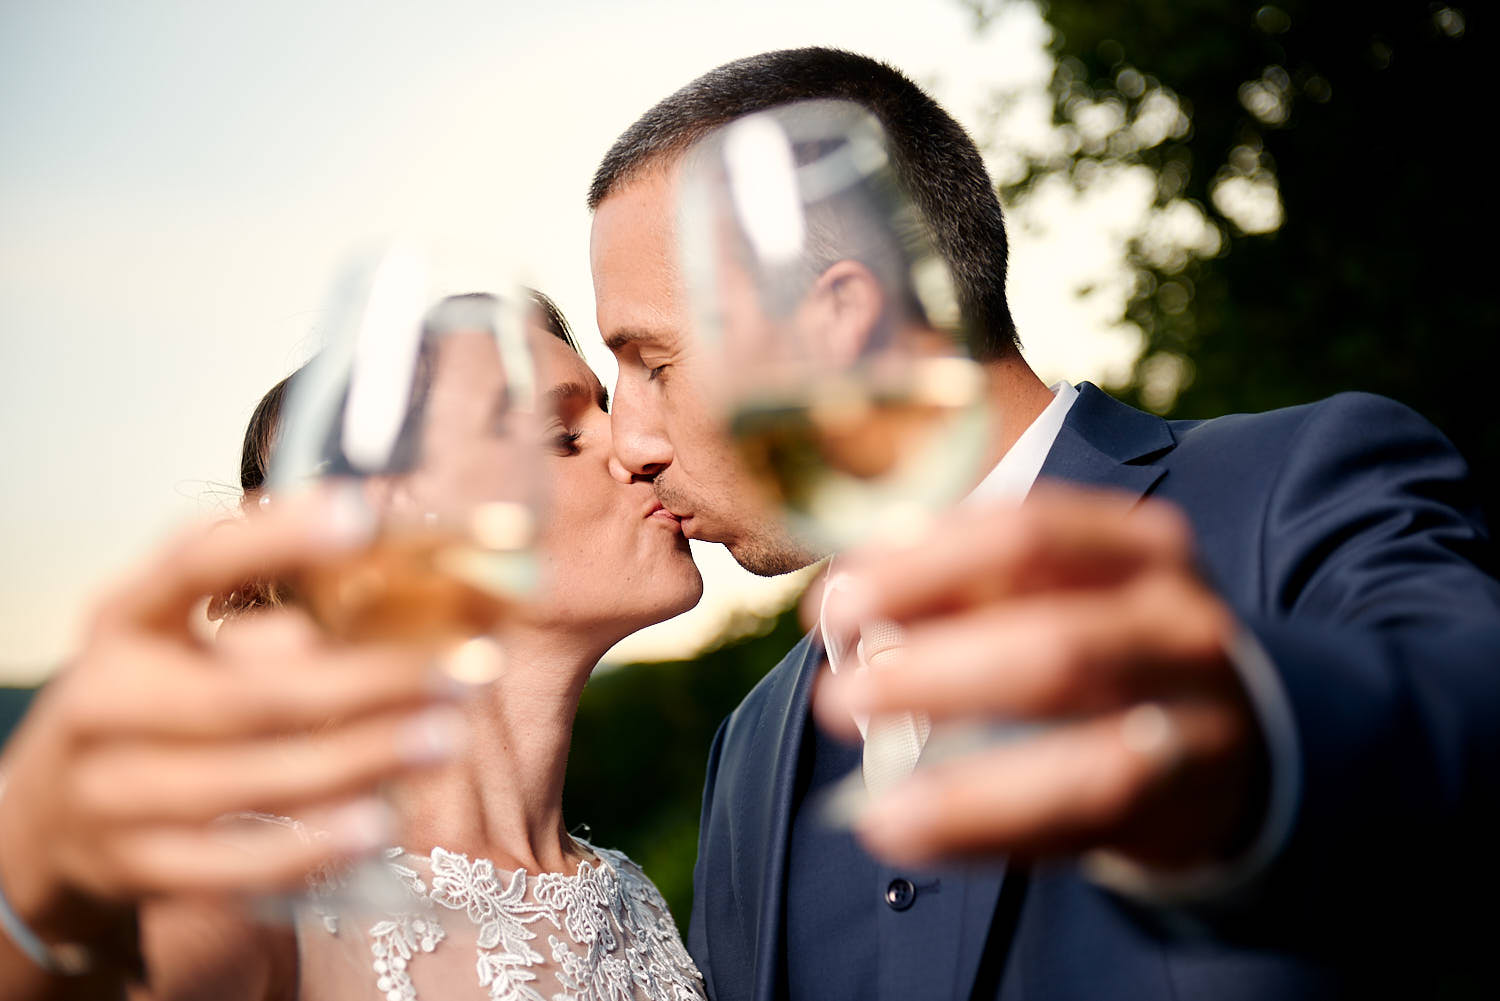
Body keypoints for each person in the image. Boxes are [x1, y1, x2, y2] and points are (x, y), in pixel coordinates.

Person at [587, 47, 1500, 1000]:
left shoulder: (1298, 481)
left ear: (838, 322)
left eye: (651, 361)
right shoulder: (752, 747)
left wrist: (1260, 751)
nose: (629, 440)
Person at [0, 293, 710, 1001]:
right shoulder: (255, 892)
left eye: (606, 409)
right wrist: (29, 879)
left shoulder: (633, 898)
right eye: (561, 432)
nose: (637, 446)